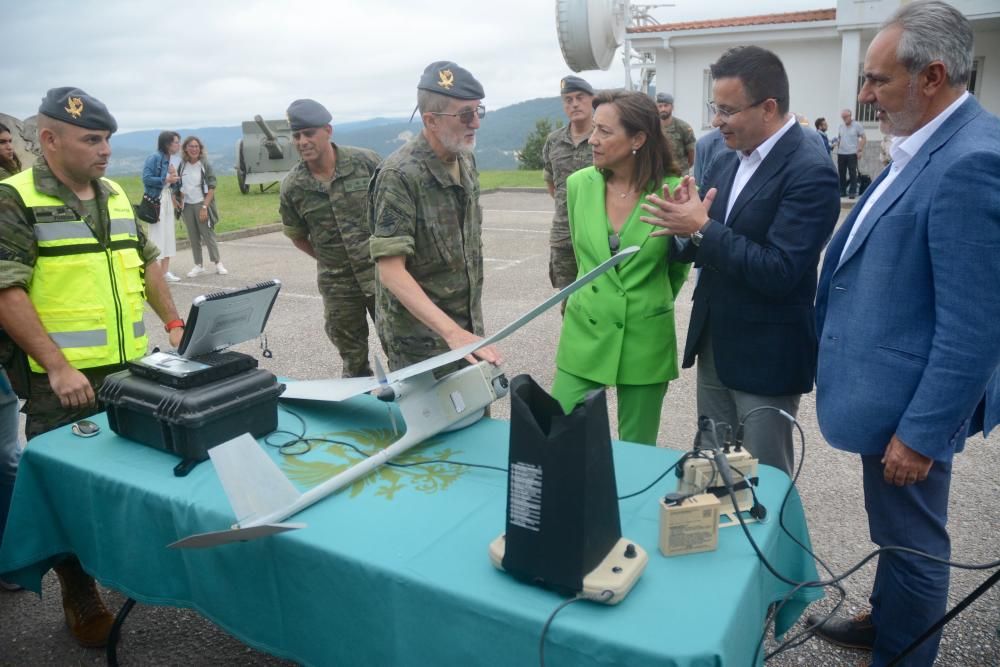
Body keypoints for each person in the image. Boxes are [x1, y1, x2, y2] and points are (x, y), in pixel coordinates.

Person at [808, 3, 1000, 664]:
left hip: (909, 410)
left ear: (933, 76)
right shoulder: (927, 141)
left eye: (878, 81)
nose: (864, 96)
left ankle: (903, 649)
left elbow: (975, 327)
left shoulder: (971, 160)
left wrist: (921, 433)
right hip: (888, 394)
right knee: (896, 534)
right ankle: (883, 619)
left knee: (915, 546)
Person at [0, 87, 186, 647]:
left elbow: (148, 264)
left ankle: (143, 567)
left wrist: (175, 327)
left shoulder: (112, 191)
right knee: (67, 492)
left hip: (130, 368)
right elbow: (7, 290)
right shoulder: (15, 198)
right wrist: (54, 365)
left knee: (137, 476)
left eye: (107, 139)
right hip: (65, 383)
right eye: (91, 139)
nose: (104, 150)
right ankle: (78, 592)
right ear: (50, 139)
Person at [639, 46, 840, 475]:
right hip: (716, 343)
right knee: (714, 469)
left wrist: (702, 228)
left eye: (727, 110)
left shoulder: (810, 170)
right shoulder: (732, 158)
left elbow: (781, 270)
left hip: (766, 355)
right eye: (715, 108)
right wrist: (683, 227)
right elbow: (708, 239)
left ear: (768, 108)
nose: (716, 121)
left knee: (762, 481)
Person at [552, 90, 688, 445]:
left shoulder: (673, 192)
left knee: (636, 452)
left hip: (645, 335)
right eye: (594, 129)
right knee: (560, 438)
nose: (593, 140)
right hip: (585, 329)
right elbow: (574, 252)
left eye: (605, 132)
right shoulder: (579, 185)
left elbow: (678, 267)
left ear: (638, 139)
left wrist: (645, 301)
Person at [368, 61, 500, 371]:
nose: (475, 124)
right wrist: (451, 333)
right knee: (435, 419)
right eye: (465, 115)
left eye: (478, 112)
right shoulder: (399, 175)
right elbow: (391, 271)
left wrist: (463, 331)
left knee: (475, 414)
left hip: (466, 331)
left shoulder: (465, 161)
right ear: (431, 120)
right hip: (420, 345)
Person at [280, 99, 381, 377]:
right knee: (352, 358)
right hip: (337, 284)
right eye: (297, 136)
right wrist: (328, 257)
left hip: (382, 274)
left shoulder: (366, 162)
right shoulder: (293, 186)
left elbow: (394, 208)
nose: (302, 142)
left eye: (309, 134)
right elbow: (297, 235)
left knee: (402, 345)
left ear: (328, 130)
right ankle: (361, 410)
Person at [541, 75, 595, 294]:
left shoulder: (605, 137)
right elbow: (552, 184)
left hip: (599, 233)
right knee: (569, 300)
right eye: (568, 99)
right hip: (564, 234)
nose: (574, 104)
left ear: (593, 100)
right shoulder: (554, 141)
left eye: (580, 97)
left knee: (601, 298)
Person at [177, 136, 227, 277]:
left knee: (208, 234)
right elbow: (180, 186)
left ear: (200, 149)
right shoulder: (182, 165)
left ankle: (217, 263)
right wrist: (179, 200)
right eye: (191, 146)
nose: (194, 149)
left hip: (201, 204)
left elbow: (211, 187)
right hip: (187, 206)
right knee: (193, 237)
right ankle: (198, 265)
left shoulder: (204, 165)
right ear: (186, 148)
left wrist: (205, 207)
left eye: (196, 146)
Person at [142, 131, 181, 281]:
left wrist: (174, 177)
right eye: (176, 142)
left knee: (168, 234)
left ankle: (165, 271)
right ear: (167, 144)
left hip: (167, 198)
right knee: (157, 235)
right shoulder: (154, 158)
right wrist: (166, 178)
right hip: (156, 200)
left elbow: (172, 182)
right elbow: (146, 178)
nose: (178, 145)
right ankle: (155, 272)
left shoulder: (171, 159)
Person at [655, 92, 696, 174]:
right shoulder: (653, 127)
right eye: (660, 106)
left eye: (666, 105)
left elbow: (691, 155)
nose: (663, 109)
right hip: (659, 175)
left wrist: (682, 169)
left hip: (680, 175)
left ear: (672, 107)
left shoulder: (683, 127)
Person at [835, 108, 867, 198]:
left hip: (852, 153)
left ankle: (852, 192)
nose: (844, 119)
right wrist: (836, 143)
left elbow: (864, 138)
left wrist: (860, 150)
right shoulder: (841, 126)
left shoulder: (857, 125)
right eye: (843, 117)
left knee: (853, 173)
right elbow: (839, 138)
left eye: (846, 117)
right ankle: (842, 191)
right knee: (841, 173)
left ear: (850, 116)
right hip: (841, 153)